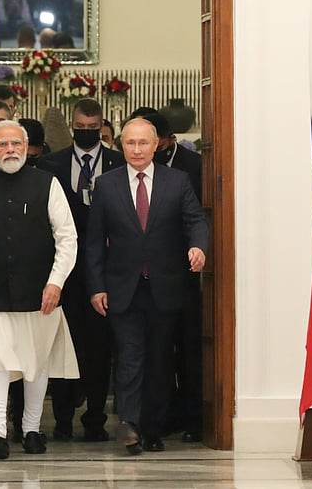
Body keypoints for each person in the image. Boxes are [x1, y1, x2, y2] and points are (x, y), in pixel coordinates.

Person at [85, 117, 208, 455]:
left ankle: (152, 428)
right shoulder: (106, 185)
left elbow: (195, 220)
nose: (137, 149)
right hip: (122, 288)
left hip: (165, 286)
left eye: (143, 143)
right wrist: (96, 287)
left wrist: (198, 247)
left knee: (159, 360)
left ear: (156, 145)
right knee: (129, 357)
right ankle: (129, 424)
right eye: (130, 143)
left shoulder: (177, 181)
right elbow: (94, 242)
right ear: (120, 145)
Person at [0, 120, 80, 459]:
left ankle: (31, 429)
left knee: (35, 361)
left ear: (27, 148)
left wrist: (56, 282)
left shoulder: (48, 183)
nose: (10, 149)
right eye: (2, 144)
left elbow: (67, 238)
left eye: (16, 143)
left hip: (40, 291)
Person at [38, 98, 124, 442]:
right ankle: (62, 419)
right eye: (80, 128)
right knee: (62, 346)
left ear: (101, 127)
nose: (86, 133)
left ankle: (95, 418)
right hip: (64, 274)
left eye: (92, 128)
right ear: (72, 126)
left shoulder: (118, 163)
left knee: (100, 350)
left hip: (107, 272)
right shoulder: (51, 165)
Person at [142, 113, 203, 442]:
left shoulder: (192, 167)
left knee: (189, 350)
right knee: (157, 352)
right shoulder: (132, 170)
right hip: (146, 277)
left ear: (165, 140)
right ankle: (162, 417)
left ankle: (194, 418)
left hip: (185, 273)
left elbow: (198, 217)